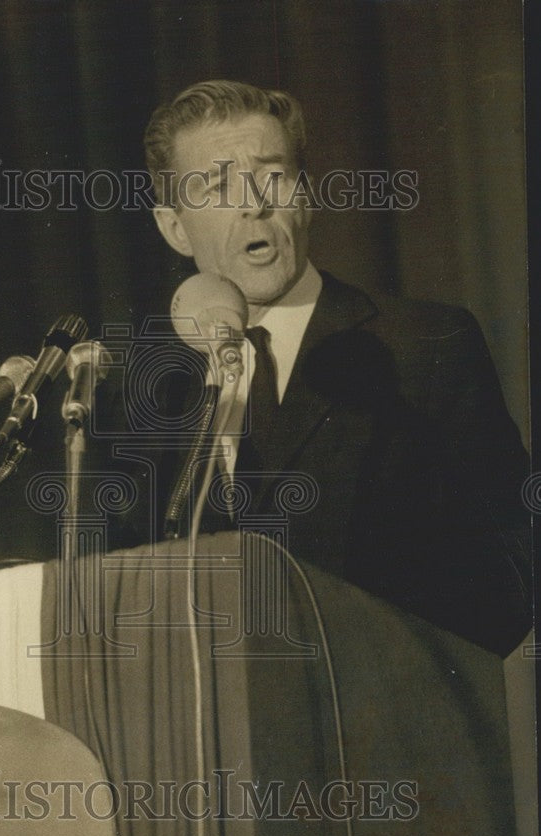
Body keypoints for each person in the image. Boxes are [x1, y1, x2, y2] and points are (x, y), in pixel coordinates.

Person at [124, 78, 532, 658]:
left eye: (272, 175)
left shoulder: (423, 343)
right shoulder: (154, 391)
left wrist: (386, 654)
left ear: (306, 195)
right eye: (216, 185)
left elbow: (520, 554)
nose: (253, 202)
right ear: (174, 228)